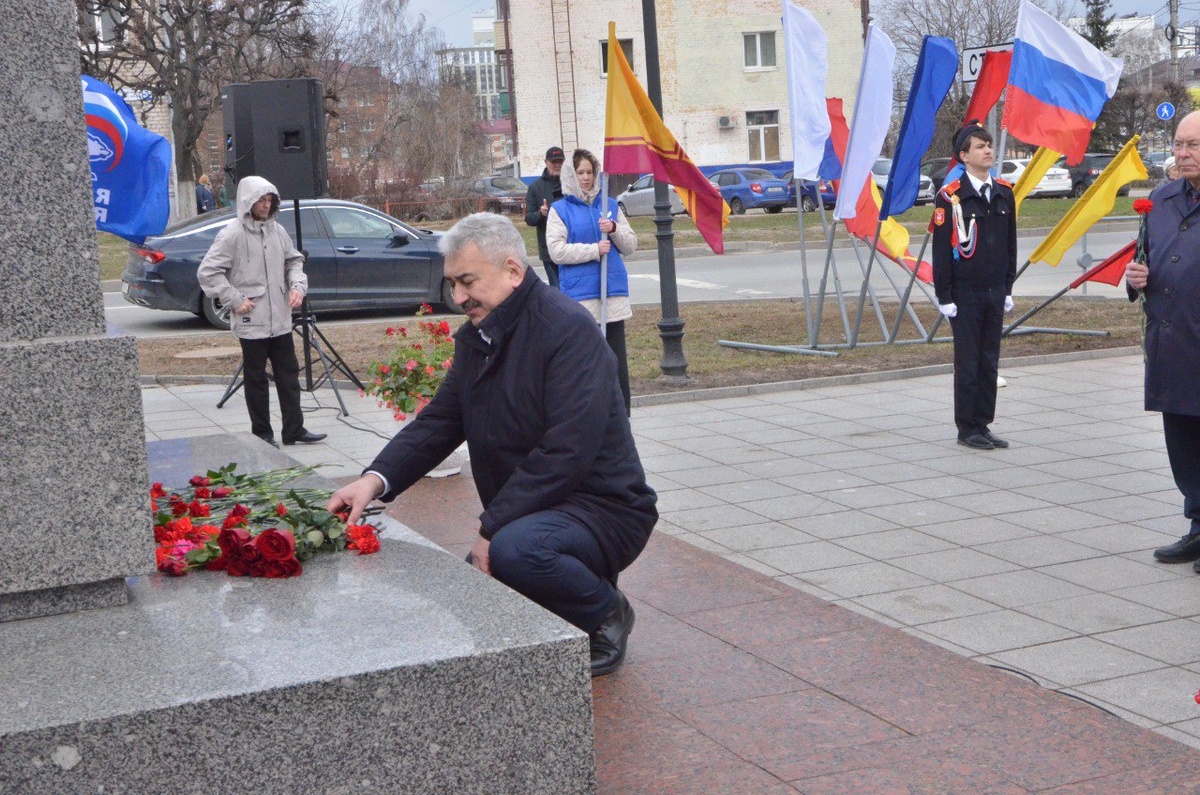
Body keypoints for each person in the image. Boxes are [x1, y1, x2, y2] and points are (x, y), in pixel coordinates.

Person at [327, 213, 656, 676]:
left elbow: (567, 451)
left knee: (516, 553)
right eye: (452, 283)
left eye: (468, 282)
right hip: (536, 508)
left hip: (604, 508)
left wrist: (491, 529)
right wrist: (373, 481)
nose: (458, 297)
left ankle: (606, 613)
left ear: (513, 271)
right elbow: (441, 420)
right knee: (476, 585)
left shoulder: (568, 331)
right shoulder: (480, 337)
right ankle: (555, 592)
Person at [197, 176, 327, 448]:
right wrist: (234, 298)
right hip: (252, 319)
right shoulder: (232, 235)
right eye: (261, 200)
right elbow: (208, 272)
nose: (266, 205)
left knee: (289, 374)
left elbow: (294, 260)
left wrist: (298, 286)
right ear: (248, 202)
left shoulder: (277, 231)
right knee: (256, 379)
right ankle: (262, 433)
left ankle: (294, 429)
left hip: (279, 318)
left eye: (270, 200)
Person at [1126, 111, 1200, 566]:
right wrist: (1136, 278)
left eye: (1193, 145)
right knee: (1183, 442)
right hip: (1172, 344)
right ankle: (1197, 523)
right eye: (1178, 144)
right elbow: (1146, 261)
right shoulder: (1163, 198)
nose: (1183, 153)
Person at [931, 121, 1017, 451]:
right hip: (964, 295)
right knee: (967, 363)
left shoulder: (1003, 192)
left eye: (989, 145)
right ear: (964, 156)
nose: (988, 151)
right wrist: (945, 295)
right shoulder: (951, 198)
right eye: (980, 147)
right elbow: (941, 249)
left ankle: (984, 423)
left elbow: (1009, 245)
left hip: (994, 290)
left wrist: (1008, 287)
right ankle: (966, 427)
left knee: (989, 361)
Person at [546, 148, 638, 415]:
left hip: (612, 293)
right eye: (581, 172)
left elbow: (631, 245)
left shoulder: (608, 205)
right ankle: (588, 413)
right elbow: (557, 251)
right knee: (586, 359)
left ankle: (621, 413)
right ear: (571, 175)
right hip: (581, 296)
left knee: (616, 359)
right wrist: (593, 249)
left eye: (590, 172)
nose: (586, 178)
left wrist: (615, 230)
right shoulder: (560, 210)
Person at [524, 146, 566, 288]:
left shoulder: (571, 184)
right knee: (557, 290)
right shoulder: (535, 188)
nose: (557, 165)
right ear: (546, 162)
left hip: (571, 246)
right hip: (549, 250)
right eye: (553, 162)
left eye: (560, 161)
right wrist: (540, 213)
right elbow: (529, 218)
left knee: (573, 290)